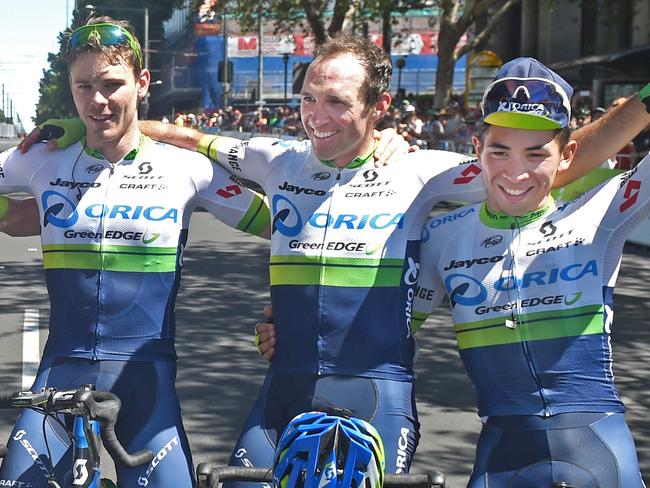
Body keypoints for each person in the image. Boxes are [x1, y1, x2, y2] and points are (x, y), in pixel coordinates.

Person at [31, 40, 650, 482]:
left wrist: (637, 108)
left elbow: (541, 161)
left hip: (375, 395)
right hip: (284, 389)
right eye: (309, 99)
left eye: (336, 102)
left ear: (377, 107)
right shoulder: (278, 161)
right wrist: (75, 125)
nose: (317, 118)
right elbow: (187, 137)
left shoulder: (420, 172)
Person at [0, 17, 271, 487]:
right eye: (83, 87)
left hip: (147, 382)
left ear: (142, 82)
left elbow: (297, 222)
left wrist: (380, 152)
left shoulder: (188, 170)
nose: (97, 100)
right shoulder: (42, 158)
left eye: (112, 84)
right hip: (60, 373)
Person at [413, 58, 650, 486]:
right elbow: (383, 335)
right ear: (476, 148)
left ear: (568, 154)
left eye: (537, 154)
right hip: (502, 456)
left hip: (598, 450)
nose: (517, 172)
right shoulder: (441, 236)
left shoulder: (600, 214)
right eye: (500, 152)